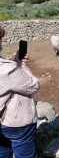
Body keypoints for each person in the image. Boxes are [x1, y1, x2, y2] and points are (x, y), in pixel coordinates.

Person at [0, 25, 40, 158]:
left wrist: (14, 63)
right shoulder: (6, 69)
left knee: (3, 152)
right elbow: (33, 86)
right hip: (17, 123)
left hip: (2, 122)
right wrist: (23, 66)